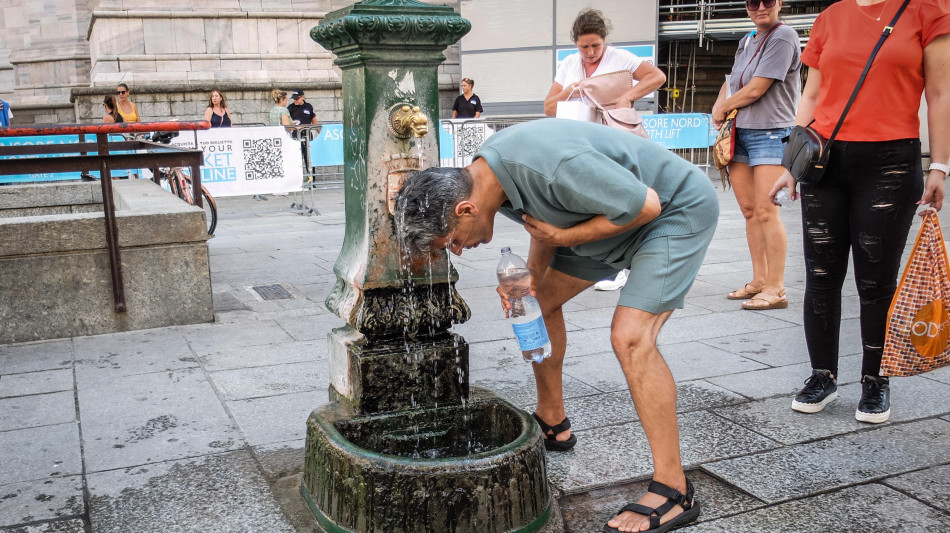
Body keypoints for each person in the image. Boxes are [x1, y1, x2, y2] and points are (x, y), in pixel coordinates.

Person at [395, 118, 716, 533]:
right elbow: (543, 221)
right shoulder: (490, 176)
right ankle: (553, 421)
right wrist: (529, 279)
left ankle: (675, 488)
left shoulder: (549, 164)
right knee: (535, 304)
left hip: (672, 212)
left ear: (465, 209)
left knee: (630, 338)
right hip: (607, 222)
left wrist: (565, 239)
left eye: (452, 241)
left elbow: (646, 206)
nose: (460, 249)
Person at [769, 0, 949, 424]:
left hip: (890, 162)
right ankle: (822, 376)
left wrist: (940, 164)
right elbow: (811, 93)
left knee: (876, 281)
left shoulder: (927, 11)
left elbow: (940, 92)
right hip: (825, 161)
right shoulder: (830, 17)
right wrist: (791, 167)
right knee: (822, 275)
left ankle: (875, 381)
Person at [543, 7, 667, 292]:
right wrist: (570, 90)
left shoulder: (620, 57)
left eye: (595, 45)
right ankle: (609, 262)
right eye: (583, 47)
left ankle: (623, 265)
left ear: (604, 40)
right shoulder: (569, 64)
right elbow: (549, 107)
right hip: (583, 140)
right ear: (575, 44)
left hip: (614, 138)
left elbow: (656, 77)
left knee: (622, 196)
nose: (590, 52)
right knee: (595, 199)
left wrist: (628, 96)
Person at [711, 0, 801, 310]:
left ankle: (776, 288)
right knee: (750, 210)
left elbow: (756, 88)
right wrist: (718, 103)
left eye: (768, 1)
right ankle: (759, 279)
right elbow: (733, 80)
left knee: (766, 211)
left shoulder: (783, 36)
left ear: (779, 4)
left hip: (771, 131)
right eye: (753, 2)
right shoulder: (747, 40)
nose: (760, 7)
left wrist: (723, 106)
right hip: (741, 132)